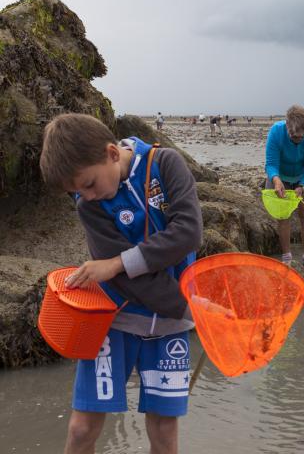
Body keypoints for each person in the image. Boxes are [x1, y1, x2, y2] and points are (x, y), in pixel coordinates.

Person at [39, 113, 203, 454]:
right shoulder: (89, 205)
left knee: (164, 429)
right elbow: (128, 283)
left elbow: (188, 232)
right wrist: (190, 306)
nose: (87, 195)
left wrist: (116, 264)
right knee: (83, 428)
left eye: (89, 183)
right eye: (77, 191)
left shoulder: (165, 163)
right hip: (114, 320)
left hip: (172, 323)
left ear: (113, 153)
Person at [265, 105, 304, 266]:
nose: (298, 140)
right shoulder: (276, 131)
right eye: (294, 137)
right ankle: (287, 256)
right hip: (280, 176)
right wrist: (276, 179)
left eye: (301, 137)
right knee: (283, 216)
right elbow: (271, 163)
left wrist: (302, 185)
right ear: (287, 126)